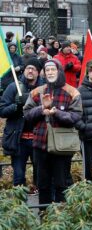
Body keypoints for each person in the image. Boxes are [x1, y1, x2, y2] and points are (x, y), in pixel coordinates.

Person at [23, 59, 82, 208]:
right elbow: (27, 114)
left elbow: (76, 116)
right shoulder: (37, 91)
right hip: (40, 145)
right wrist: (40, 109)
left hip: (62, 147)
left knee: (61, 184)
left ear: (59, 71)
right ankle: (45, 217)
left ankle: (60, 218)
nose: (49, 72)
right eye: (47, 70)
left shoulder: (72, 92)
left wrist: (57, 113)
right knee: (43, 184)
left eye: (52, 70)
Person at [0, 58, 43, 193]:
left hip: (39, 140)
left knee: (41, 177)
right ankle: (20, 211)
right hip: (19, 140)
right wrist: (16, 106)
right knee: (18, 177)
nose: (30, 71)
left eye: (34, 69)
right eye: (28, 68)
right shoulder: (14, 87)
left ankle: (43, 210)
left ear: (38, 72)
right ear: (24, 70)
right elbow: (2, 111)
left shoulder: (44, 88)